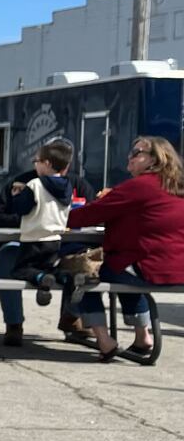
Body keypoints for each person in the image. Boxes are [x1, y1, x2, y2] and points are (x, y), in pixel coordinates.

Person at [67, 134, 184, 361]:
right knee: (121, 269)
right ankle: (143, 336)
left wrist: (59, 218)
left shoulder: (139, 186)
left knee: (84, 274)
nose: (129, 158)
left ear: (155, 159)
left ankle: (104, 339)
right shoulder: (177, 186)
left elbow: (89, 215)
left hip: (150, 268)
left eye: (136, 153)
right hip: (176, 267)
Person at [0, 141, 73, 347]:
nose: (34, 165)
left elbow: (21, 209)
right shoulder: (67, 187)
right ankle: (63, 278)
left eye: (36, 161)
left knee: (20, 269)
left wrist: (17, 196)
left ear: (46, 163)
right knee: (50, 266)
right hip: (55, 241)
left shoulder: (34, 185)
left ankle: (41, 279)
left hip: (33, 240)